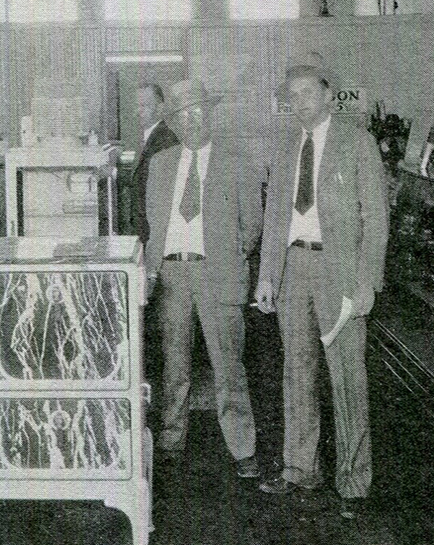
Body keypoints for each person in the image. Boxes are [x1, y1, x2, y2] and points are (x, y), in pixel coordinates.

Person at [253, 59, 388, 520]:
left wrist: (368, 281)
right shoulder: (287, 145)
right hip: (294, 268)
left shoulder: (358, 142)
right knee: (297, 372)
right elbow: (275, 218)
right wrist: (267, 275)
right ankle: (299, 468)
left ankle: (353, 482)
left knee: (348, 379)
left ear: (330, 95)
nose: (300, 102)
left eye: (308, 92)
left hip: (342, 273)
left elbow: (376, 219)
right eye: (292, 96)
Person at [144, 78, 263, 479]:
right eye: (182, 115)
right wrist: (153, 272)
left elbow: (252, 228)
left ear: (209, 114)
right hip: (173, 275)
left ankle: (243, 447)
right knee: (173, 364)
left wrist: (226, 259)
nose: (191, 121)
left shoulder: (238, 161)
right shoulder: (160, 165)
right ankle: (171, 438)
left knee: (229, 366)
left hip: (220, 274)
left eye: (198, 111)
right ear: (173, 124)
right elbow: (153, 225)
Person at [132, 82, 180, 245]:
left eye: (144, 106)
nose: (138, 111)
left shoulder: (165, 139)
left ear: (160, 108)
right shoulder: (148, 136)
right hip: (146, 229)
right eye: (136, 106)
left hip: (155, 231)